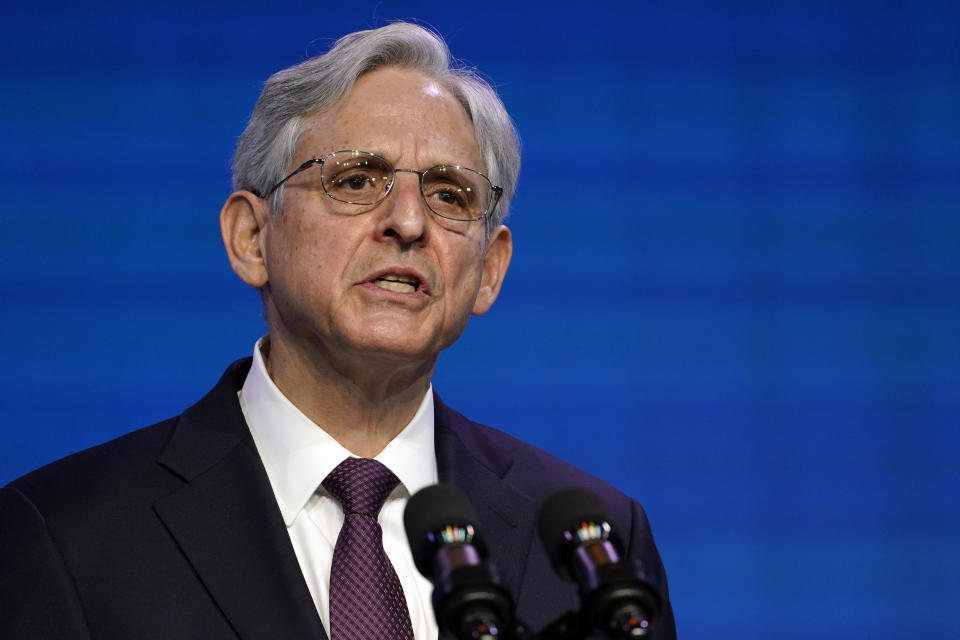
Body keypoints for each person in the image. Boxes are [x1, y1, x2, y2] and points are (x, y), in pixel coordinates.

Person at [0, 22, 676, 639]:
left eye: (449, 194)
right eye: (357, 180)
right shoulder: (65, 536)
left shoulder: (598, 551)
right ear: (251, 238)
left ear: (489, 269)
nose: (408, 222)